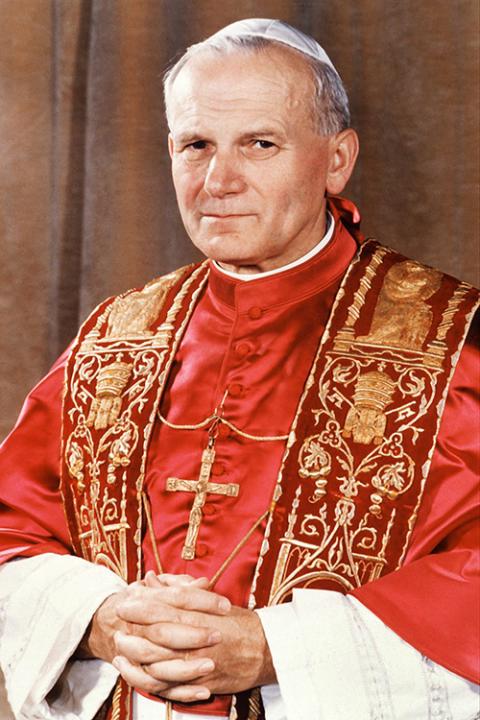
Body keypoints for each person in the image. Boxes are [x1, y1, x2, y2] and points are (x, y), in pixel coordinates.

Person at [0, 17, 478, 720]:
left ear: (336, 159)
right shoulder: (114, 338)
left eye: (259, 144)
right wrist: (102, 618)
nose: (218, 181)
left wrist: (276, 647)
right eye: (196, 145)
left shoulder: (457, 342)